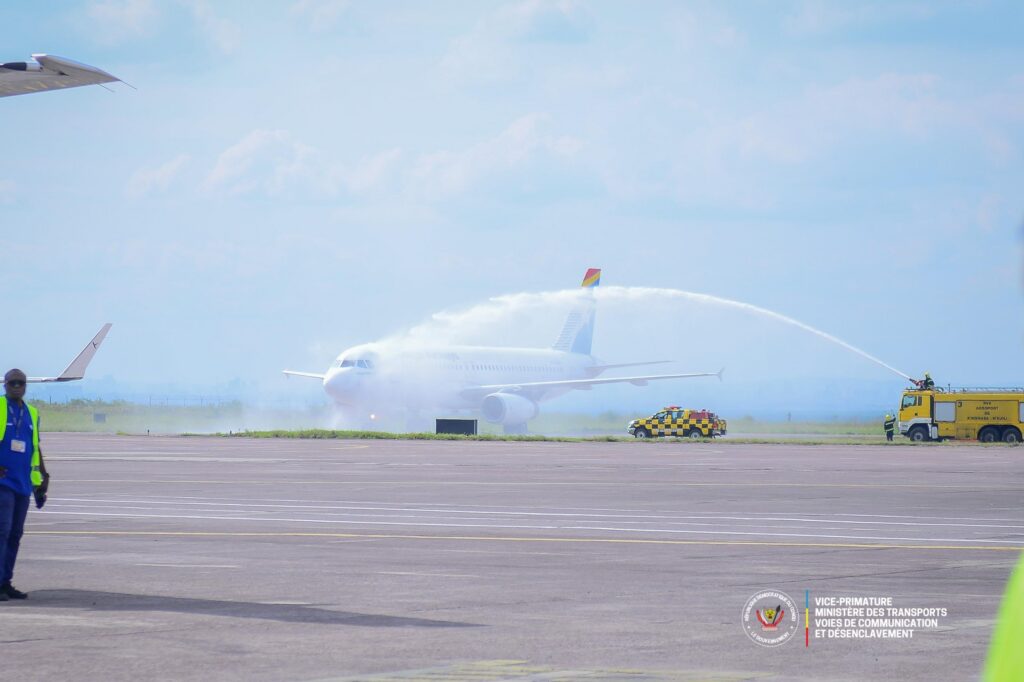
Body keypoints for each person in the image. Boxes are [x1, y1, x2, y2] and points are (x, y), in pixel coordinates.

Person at [0, 369, 48, 602]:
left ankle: (5, 581)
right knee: (2, 531)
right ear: (5, 385)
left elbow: (35, 447)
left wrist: (42, 481)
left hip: (22, 483)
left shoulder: (31, 413)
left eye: (20, 383)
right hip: (3, 483)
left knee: (15, 534)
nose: (16, 386)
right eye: (12, 383)